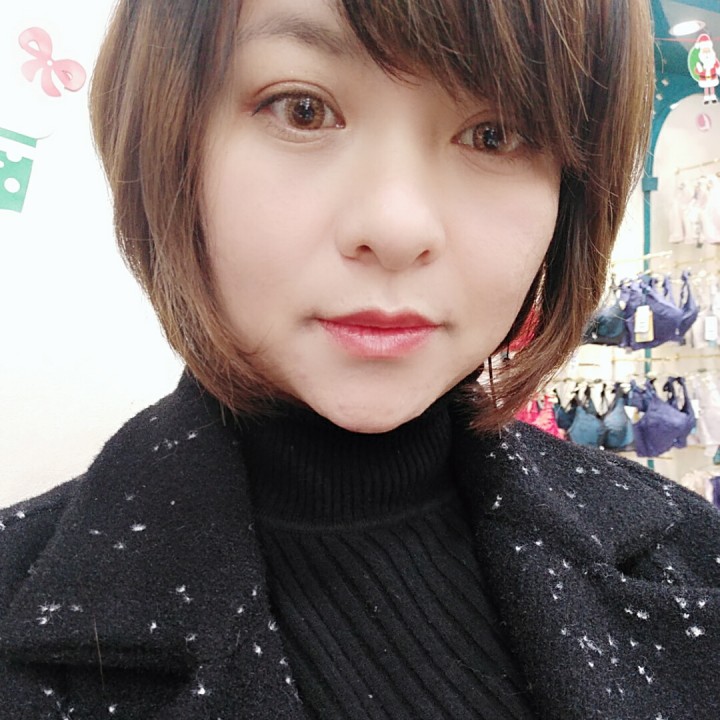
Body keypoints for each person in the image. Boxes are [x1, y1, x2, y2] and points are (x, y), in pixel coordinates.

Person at [1, 0, 719, 718]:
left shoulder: (691, 556)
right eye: (304, 110)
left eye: (494, 134)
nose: (397, 227)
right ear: (170, 137)